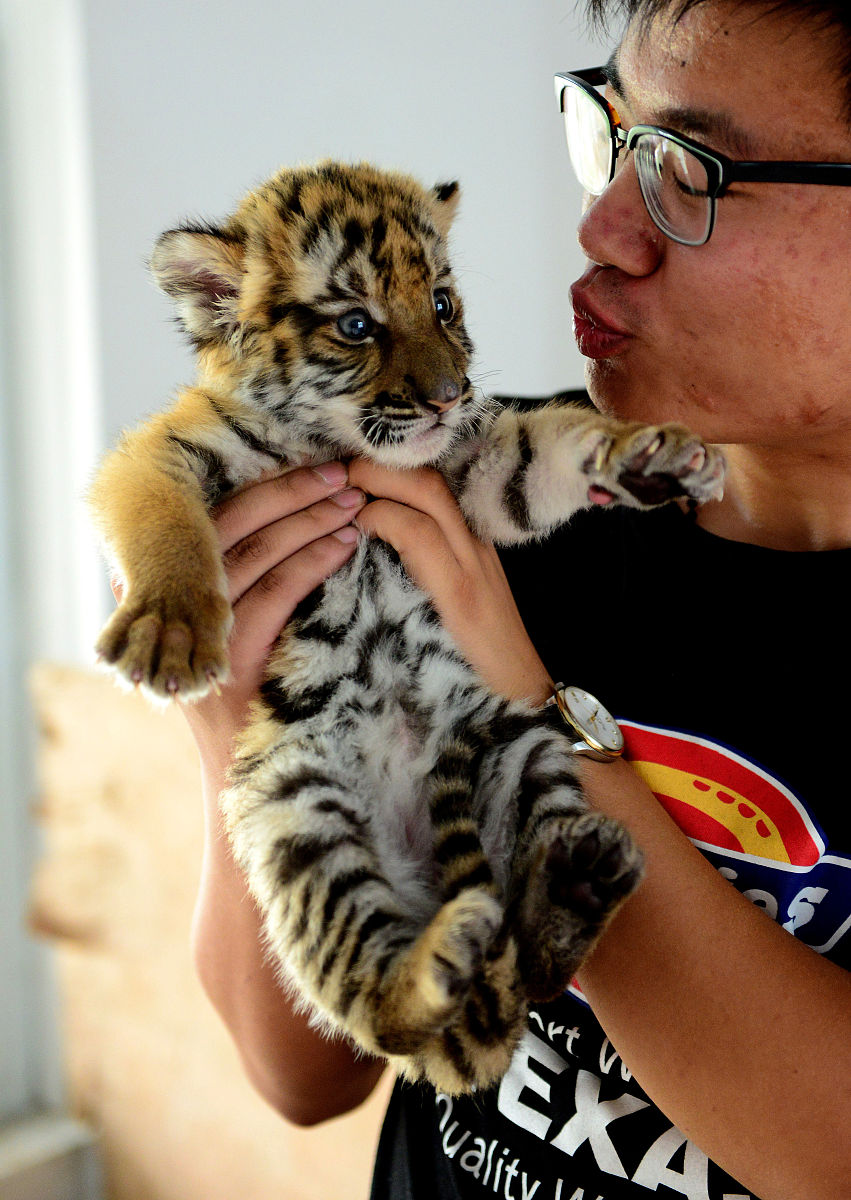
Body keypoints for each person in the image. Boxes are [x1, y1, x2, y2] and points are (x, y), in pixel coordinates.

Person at [182, 2, 851, 1197]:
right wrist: (238, 733)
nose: (599, 226)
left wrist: (525, 720)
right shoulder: (509, 502)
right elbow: (306, 1076)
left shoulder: (480, 575)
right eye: (612, 133)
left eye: (686, 169)